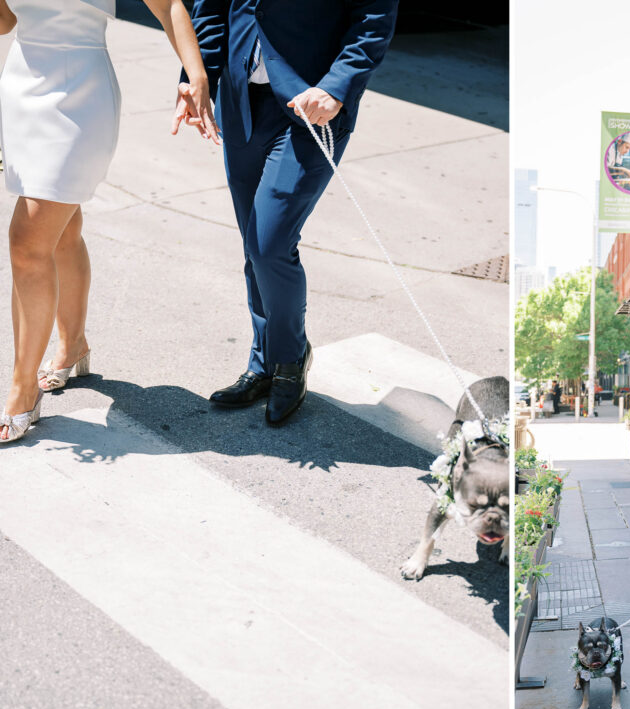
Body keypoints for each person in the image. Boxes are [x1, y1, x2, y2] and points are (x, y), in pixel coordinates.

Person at [0, 0, 217, 443]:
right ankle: (73, 345)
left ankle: (22, 391)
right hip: (22, 88)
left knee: (27, 242)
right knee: (62, 232)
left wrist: (195, 74)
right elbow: (7, 20)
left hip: (80, 96)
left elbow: (170, 4)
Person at [178, 0, 399, 425]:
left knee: (269, 243)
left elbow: (373, 18)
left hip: (312, 106)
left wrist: (337, 86)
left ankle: (290, 361)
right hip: (240, 99)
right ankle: (263, 363)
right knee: (253, 242)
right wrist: (196, 81)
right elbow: (209, 10)